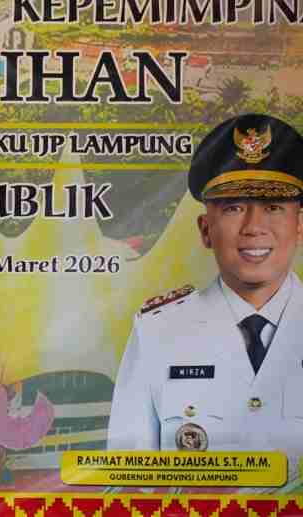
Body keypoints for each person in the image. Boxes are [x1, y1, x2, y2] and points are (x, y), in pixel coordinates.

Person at [108, 114, 303, 457]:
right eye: (234, 208)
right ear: (205, 229)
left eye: (273, 207)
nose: (253, 227)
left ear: (299, 227)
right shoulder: (158, 332)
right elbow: (129, 475)